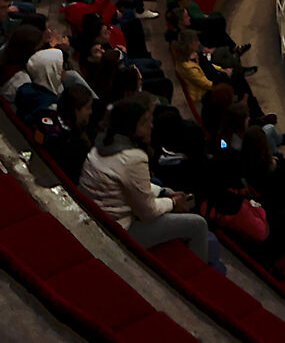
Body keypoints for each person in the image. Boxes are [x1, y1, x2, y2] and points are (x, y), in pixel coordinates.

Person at [80, 98, 223, 270]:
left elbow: (131, 184)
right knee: (199, 224)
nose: (151, 126)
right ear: (131, 128)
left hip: (98, 216)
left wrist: (164, 192)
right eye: (144, 122)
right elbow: (148, 212)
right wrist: (173, 202)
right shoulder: (134, 158)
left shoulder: (102, 143)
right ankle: (197, 275)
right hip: (119, 230)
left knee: (165, 189)